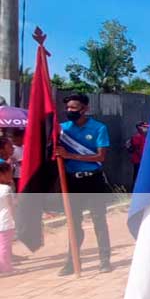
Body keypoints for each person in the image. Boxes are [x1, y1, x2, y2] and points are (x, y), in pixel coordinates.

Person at [55, 94, 112, 275]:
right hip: (71, 182)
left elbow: (100, 157)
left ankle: (104, 260)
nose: (70, 111)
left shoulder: (98, 128)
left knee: (99, 220)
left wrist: (70, 156)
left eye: (74, 108)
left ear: (85, 108)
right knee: (73, 223)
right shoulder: (62, 129)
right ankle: (72, 262)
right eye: (68, 108)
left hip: (93, 179)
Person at [0, 163, 14, 274]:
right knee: (5, 247)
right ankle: (6, 269)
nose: (11, 175)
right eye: (9, 172)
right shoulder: (6, 188)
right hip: (5, 222)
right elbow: (12, 205)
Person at [127, 122, 148, 186]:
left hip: (141, 160)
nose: (146, 128)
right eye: (145, 127)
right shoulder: (137, 137)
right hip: (138, 160)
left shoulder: (142, 136)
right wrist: (144, 158)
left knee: (140, 176)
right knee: (137, 176)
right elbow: (137, 149)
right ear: (139, 127)